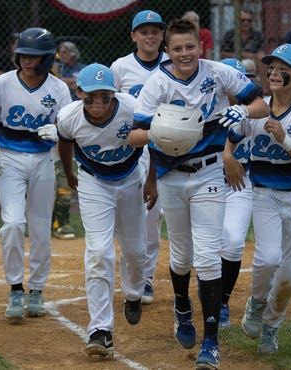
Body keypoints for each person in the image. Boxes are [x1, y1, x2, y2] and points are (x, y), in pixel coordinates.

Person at [128, 18, 269, 369]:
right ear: (167, 51)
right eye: (177, 48)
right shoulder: (157, 83)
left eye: (190, 46)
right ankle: (181, 305)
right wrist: (158, 133)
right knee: (181, 256)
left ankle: (211, 343)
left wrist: (242, 108)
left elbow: (261, 106)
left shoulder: (219, 73)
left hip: (209, 171)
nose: (184, 53)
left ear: (199, 47)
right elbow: (134, 135)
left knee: (207, 257)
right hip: (172, 176)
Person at [0, 27, 72, 323]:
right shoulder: (3, 82)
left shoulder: (58, 88)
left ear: (46, 57)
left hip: (44, 160)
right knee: (13, 222)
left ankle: (37, 289)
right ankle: (16, 287)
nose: (28, 62)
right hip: (10, 160)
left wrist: (58, 131)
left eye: (34, 56)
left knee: (41, 229)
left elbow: (68, 126)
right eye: (24, 56)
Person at [235, 44, 291, 354]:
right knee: (268, 257)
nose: (273, 70)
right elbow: (231, 139)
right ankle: (257, 303)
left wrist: (284, 139)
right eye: (270, 65)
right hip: (264, 192)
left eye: (282, 67)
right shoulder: (258, 107)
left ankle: (272, 326)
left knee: (287, 274)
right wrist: (228, 156)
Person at [57, 63, 150, 358]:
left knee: (135, 251)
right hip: (94, 181)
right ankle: (100, 330)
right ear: (78, 92)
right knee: (99, 251)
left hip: (132, 177)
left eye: (105, 97)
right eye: (90, 97)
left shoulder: (132, 108)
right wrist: (70, 173)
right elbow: (64, 144)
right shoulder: (68, 117)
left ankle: (134, 293)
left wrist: (153, 180)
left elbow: (154, 141)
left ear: (115, 94)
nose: (98, 104)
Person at [110, 9, 167, 305]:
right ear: (133, 36)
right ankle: (134, 276)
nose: (150, 36)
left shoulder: (171, 65)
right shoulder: (120, 68)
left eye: (155, 31)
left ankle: (145, 279)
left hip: (166, 147)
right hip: (133, 148)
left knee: (152, 220)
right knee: (135, 218)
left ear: (162, 35)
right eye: (143, 31)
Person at [216, 58, 256, 329]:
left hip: (240, 183)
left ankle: (221, 302)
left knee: (233, 244)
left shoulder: (252, 111)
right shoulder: (205, 108)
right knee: (203, 247)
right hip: (203, 182)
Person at [220, 10, 266, 91]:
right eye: (243, 20)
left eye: (249, 20)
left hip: (253, 63)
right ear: (237, 21)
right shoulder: (229, 34)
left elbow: (261, 54)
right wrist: (243, 55)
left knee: (260, 61)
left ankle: (264, 91)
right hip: (234, 61)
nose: (246, 23)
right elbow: (223, 54)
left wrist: (249, 56)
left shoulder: (257, 35)